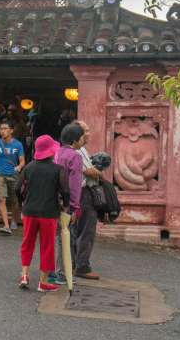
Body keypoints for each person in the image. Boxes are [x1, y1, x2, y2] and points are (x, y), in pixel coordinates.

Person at [15, 135, 69, 293]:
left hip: (29, 211)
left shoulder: (29, 167)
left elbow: (17, 188)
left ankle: (24, 275)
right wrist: (66, 207)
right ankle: (43, 282)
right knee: (47, 246)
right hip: (48, 213)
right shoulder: (58, 169)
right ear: (51, 152)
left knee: (27, 243)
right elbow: (65, 191)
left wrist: (21, 205)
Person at [51, 123, 84, 285]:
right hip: (66, 203)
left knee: (53, 236)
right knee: (64, 237)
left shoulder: (55, 152)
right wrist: (75, 208)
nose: (83, 140)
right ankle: (61, 272)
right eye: (82, 137)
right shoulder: (75, 157)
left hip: (51, 200)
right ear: (75, 140)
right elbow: (75, 184)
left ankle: (51, 270)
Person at [72, 120, 102, 280]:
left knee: (77, 230)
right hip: (83, 193)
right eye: (86, 131)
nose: (89, 134)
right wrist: (99, 172)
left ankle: (75, 263)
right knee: (85, 231)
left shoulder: (81, 149)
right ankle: (82, 266)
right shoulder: (76, 151)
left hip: (80, 193)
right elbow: (89, 171)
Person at [0, 120, 26, 235]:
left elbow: (22, 161)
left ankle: (14, 220)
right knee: (1, 199)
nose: (3, 131)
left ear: (11, 130)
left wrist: (19, 167)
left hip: (13, 174)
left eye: (6, 129)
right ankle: (6, 226)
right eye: (1, 129)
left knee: (14, 200)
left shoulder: (18, 144)